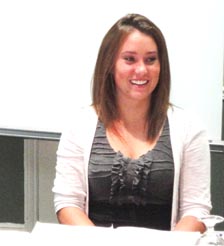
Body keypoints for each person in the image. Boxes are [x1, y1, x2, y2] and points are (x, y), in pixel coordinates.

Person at [52, 13, 211, 232]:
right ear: (109, 64)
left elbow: (196, 209)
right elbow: (67, 203)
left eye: (151, 59)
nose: (141, 70)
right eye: (129, 59)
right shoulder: (79, 125)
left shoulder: (189, 128)